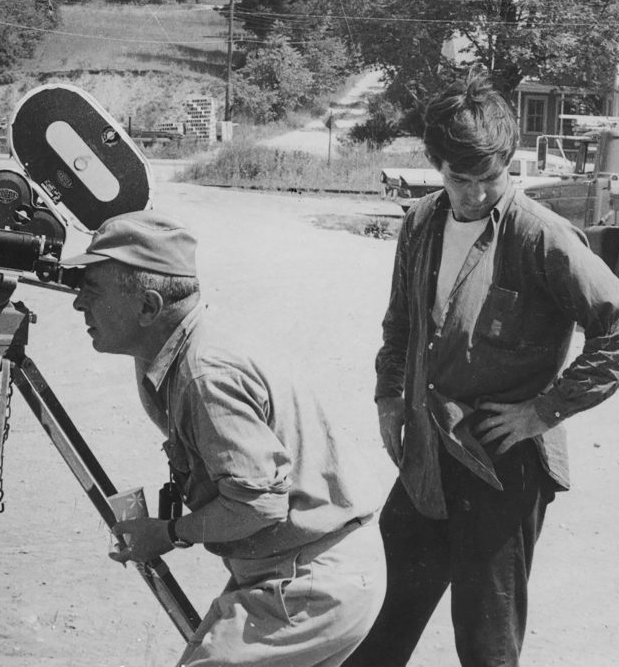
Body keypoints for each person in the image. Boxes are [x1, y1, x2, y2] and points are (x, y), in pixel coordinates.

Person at [343, 70, 619, 667]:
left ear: (509, 162)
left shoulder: (542, 236)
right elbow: (399, 325)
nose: (476, 194)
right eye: (461, 179)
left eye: (491, 178)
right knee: (383, 620)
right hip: (429, 451)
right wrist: (388, 399)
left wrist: (544, 409)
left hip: (502, 464)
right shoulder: (421, 224)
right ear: (437, 164)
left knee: (486, 643)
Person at [65, 211, 386, 667]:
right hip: (301, 569)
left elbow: (259, 503)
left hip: (308, 580)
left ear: (148, 308)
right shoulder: (181, 345)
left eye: (91, 291)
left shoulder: (206, 373)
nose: (79, 304)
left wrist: (168, 534)